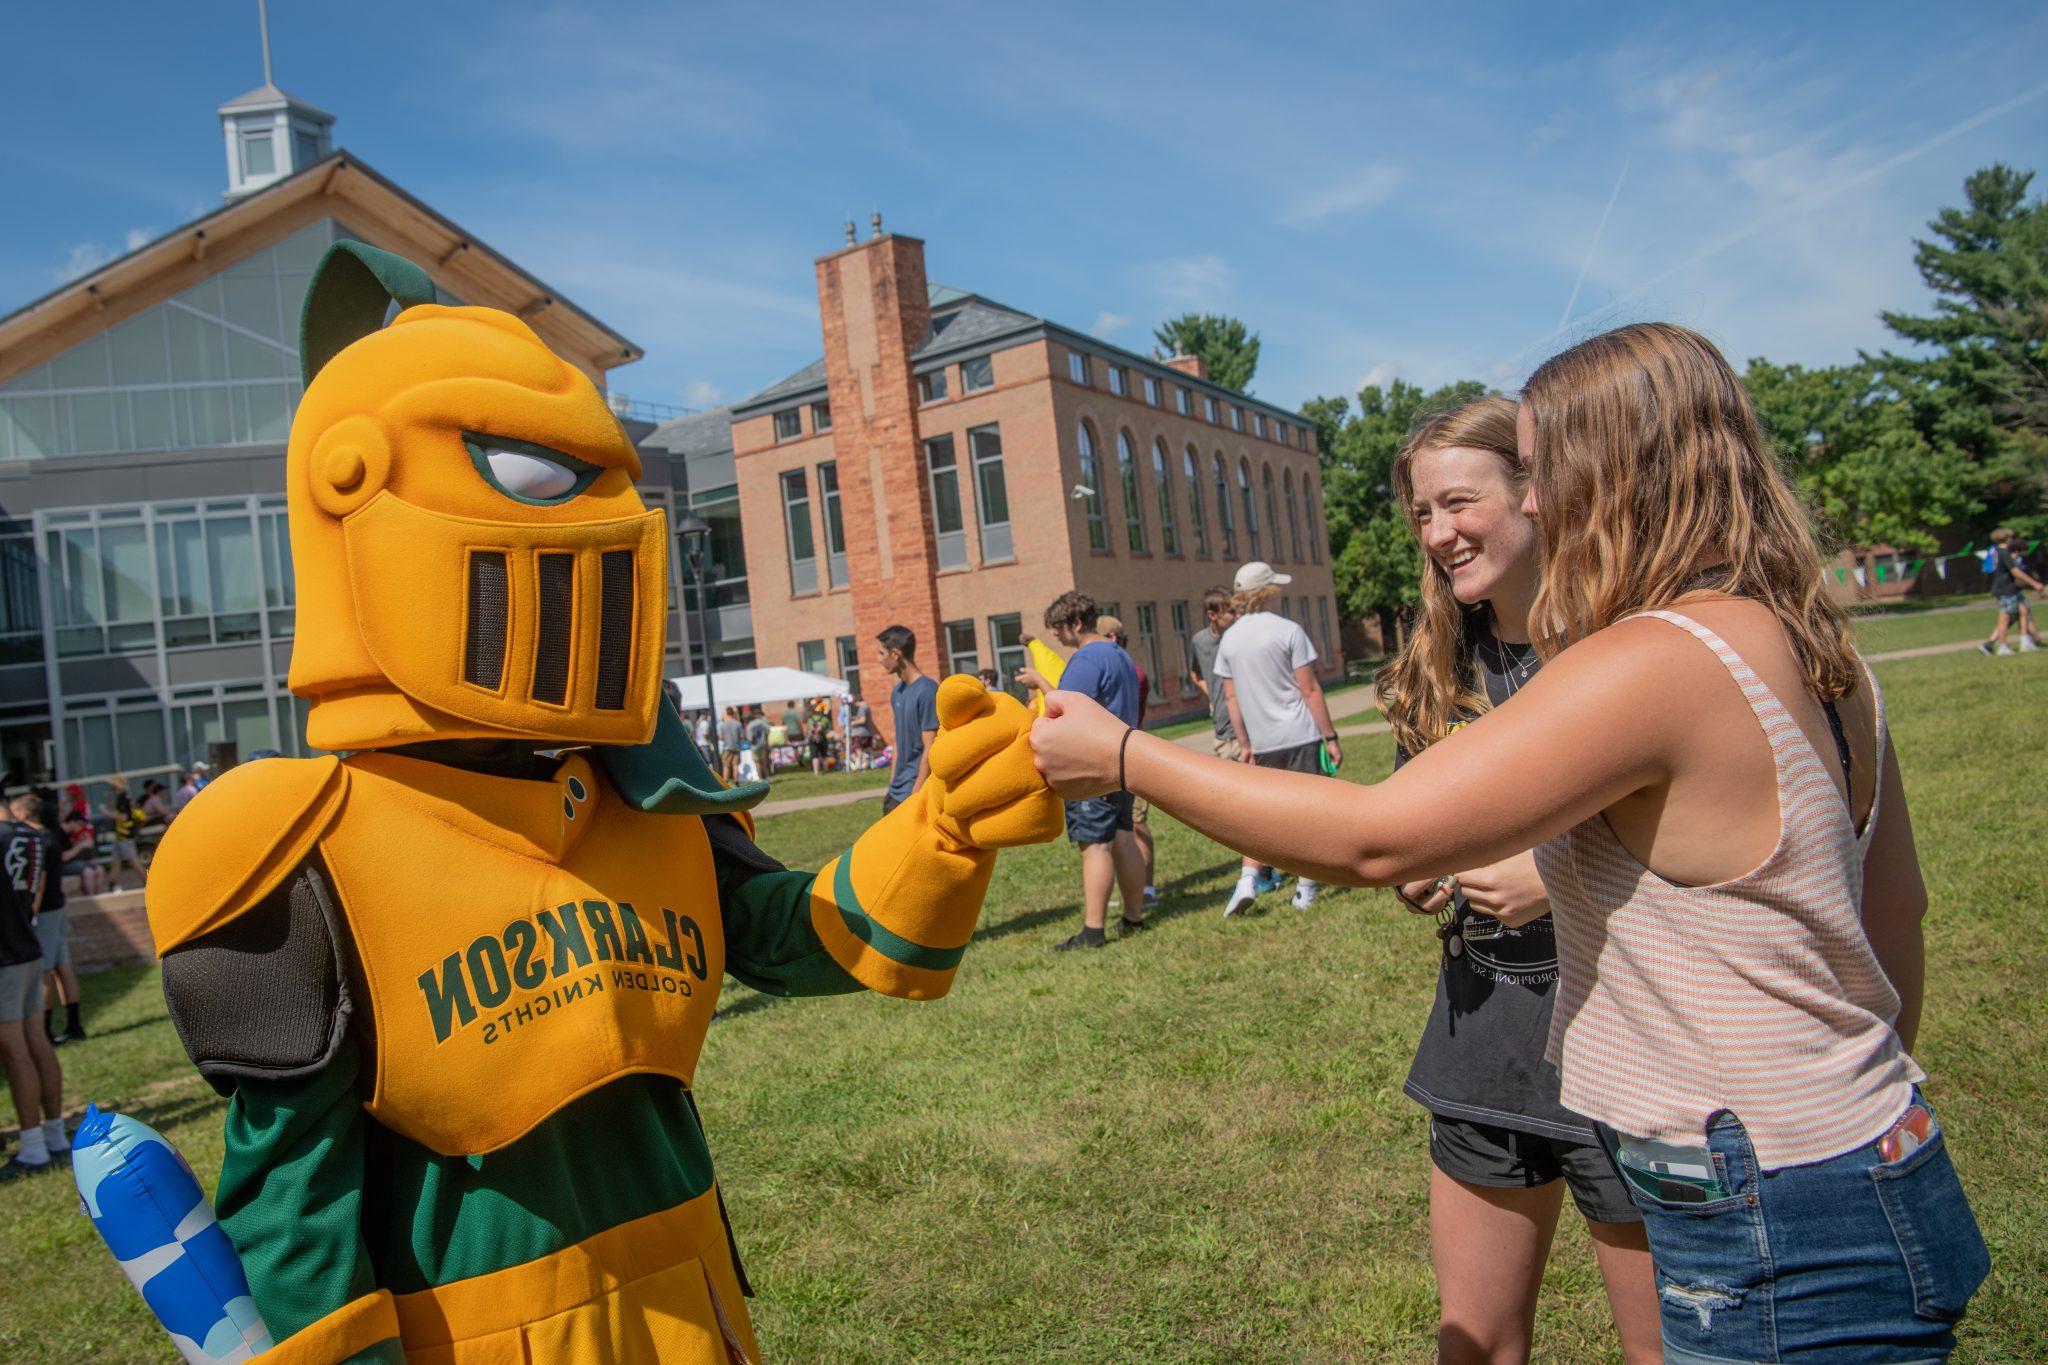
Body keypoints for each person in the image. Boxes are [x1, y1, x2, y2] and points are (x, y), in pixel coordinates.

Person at [143, 241, 1061, 1359]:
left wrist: (939, 828)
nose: (606, 528)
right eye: (538, 477)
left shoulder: (640, 782)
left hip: (689, 1300)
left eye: (609, 481)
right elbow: (293, 1201)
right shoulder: (297, 848)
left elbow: (786, 934)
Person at [1034, 322, 1988, 1361]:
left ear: (1619, 468)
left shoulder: (1657, 657)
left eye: (1534, 471)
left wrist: (1126, 755)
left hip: (1772, 1207)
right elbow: (1895, 919)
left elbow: (1370, 838)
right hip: (1869, 1156)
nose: (1525, 501)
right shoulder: (1807, 638)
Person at [1376, 397, 1656, 1363]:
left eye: (1459, 501)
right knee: (1478, 1344)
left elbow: (1716, 856)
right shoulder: (1439, 662)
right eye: (1422, 512)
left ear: (1536, 493)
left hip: (1626, 1055)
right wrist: (1423, 868)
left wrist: (1556, 873)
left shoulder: (1628, 651)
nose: (1438, 532)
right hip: (1482, 1042)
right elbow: (1409, 825)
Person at [1213, 561, 1341, 915]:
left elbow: (1231, 698)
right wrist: (1330, 736)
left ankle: (1247, 881)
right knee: (1308, 813)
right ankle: (1305, 887)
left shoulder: (1230, 639)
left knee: (1263, 817)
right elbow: (1310, 688)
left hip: (1263, 740)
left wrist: (1246, 743)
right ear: (1267, 591)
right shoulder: (1288, 630)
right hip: (1298, 733)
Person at [1040, 592, 1148, 951]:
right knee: (1122, 837)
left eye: (1058, 628)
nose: (1057, 636)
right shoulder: (1119, 654)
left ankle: (1093, 931)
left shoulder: (1086, 659)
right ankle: (1134, 917)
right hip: (1123, 762)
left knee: (1094, 845)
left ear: (1075, 623)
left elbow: (1062, 710)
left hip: (1092, 767)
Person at [0, 794, 62, 1181]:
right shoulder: (29, 835)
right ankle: (53, 1135)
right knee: (35, 1041)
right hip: (25, 943)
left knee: (14, 1051)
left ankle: (34, 1147)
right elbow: (34, 896)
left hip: (5, 956)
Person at [1098, 616, 1158, 911]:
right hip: (1125, 755)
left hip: (1130, 757)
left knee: (1135, 825)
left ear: (1110, 638)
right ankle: (1136, 890)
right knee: (1124, 827)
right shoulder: (1129, 668)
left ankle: (1146, 888)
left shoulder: (1129, 671)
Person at [15, 794, 85, 1046]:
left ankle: (45, 1033)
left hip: (44, 911)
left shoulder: (38, 840)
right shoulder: (51, 836)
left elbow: (40, 883)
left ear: (24, 814)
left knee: (45, 970)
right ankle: (74, 1025)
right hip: (58, 906)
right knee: (61, 965)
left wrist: (30, 912)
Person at [878, 625, 940, 815]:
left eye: (881, 653)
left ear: (895, 654)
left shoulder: (928, 691)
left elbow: (930, 747)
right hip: (896, 791)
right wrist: (891, 784)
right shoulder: (897, 692)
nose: (879, 660)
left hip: (914, 790)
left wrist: (916, 793)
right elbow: (898, 741)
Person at [1187, 587, 1240, 761]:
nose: (1235, 616)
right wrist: (1211, 694)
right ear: (1212, 615)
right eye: (1230, 612)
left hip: (1246, 728)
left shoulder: (1240, 638)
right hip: (1221, 729)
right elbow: (1195, 674)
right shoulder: (1199, 642)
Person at [1977, 527, 2043, 655]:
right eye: (2011, 538)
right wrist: (2035, 584)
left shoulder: (1998, 551)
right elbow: (2015, 572)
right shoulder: (2003, 552)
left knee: (2023, 610)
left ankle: (2025, 642)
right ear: (2006, 538)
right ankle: (2002, 646)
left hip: (2010, 588)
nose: (2012, 540)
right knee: (2005, 618)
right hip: (2005, 589)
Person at [102, 776, 148, 890]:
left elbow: (123, 817)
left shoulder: (123, 798)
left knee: (132, 859)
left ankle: (147, 881)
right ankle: (111, 884)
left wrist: (106, 813)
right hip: (121, 835)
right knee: (116, 860)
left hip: (125, 834)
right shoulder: (123, 796)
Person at [58, 812, 104, 897]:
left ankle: (98, 897)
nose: (81, 827)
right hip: (62, 865)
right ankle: (90, 900)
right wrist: (80, 845)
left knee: (99, 869)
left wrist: (80, 842)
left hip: (73, 862)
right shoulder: (59, 833)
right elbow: (63, 857)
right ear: (71, 822)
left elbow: (72, 850)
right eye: (80, 824)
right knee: (88, 872)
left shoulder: (70, 833)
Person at [716, 705, 743, 784]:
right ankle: (737, 782)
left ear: (727, 714)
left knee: (726, 765)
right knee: (735, 765)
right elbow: (741, 736)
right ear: (733, 713)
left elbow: (721, 737)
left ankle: (726, 782)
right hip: (736, 747)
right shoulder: (738, 723)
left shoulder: (723, 724)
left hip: (727, 747)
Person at [743, 706, 770, 780]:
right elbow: (768, 729)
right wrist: (765, 737)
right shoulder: (760, 722)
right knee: (764, 762)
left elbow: (750, 739)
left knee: (757, 763)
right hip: (763, 744)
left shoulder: (749, 727)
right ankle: (767, 778)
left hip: (755, 747)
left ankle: (761, 779)